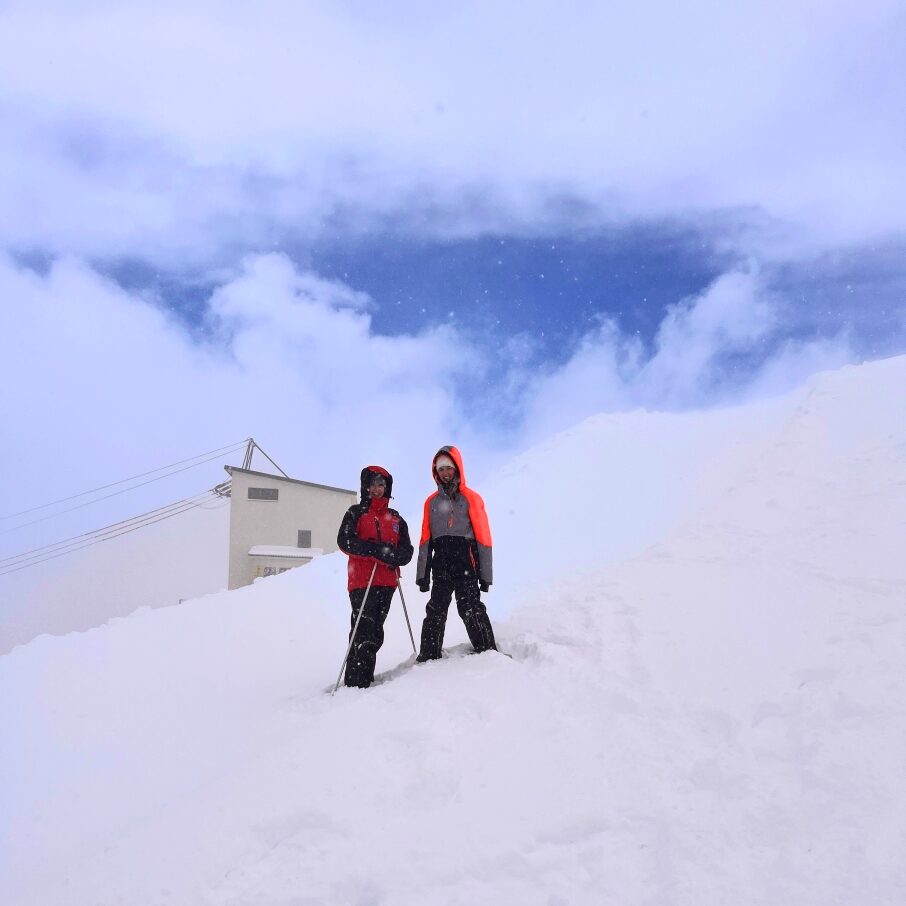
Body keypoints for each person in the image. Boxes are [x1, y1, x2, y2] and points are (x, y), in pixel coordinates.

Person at [415, 446, 497, 661]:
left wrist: (485, 575)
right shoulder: (430, 502)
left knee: (469, 608)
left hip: (465, 565)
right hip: (440, 566)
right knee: (435, 611)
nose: (445, 473)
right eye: (440, 469)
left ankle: (488, 652)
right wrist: (422, 575)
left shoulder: (471, 498)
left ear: (457, 468)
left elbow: (483, 539)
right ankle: (428, 656)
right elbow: (425, 540)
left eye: (448, 468)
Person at [337, 466, 413, 688]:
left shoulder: (396, 519)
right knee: (363, 630)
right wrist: (376, 550)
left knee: (376, 631)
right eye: (373, 485)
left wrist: (390, 555)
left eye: (381, 485)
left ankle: (363, 680)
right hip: (362, 581)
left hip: (387, 582)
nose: (377, 489)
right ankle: (356, 682)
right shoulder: (356, 513)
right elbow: (345, 541)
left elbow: (406, 553)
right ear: (365, 487)